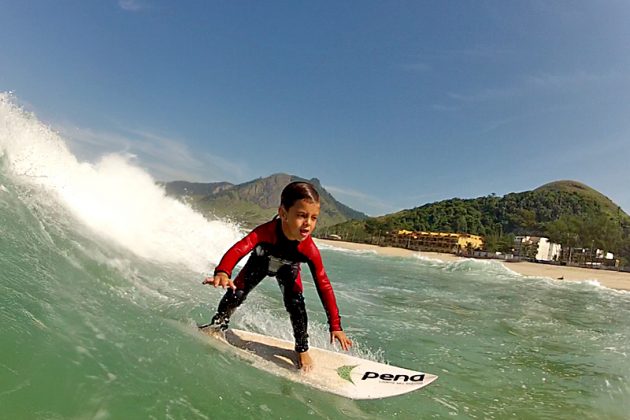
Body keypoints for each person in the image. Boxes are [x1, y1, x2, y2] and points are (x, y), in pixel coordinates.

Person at [201, 181, 352, 371]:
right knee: (236, 294)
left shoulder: (308, 249)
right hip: (260, 262)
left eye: (314, 218)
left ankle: (302, 349)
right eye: (301, 216)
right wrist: (223, 271)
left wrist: (335, 325)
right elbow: (240, 247)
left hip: (288, 269)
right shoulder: (266, 232)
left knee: (296, 305)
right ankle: (217, 326)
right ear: (283, 213)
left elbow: (323, 284)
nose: (308, 223)